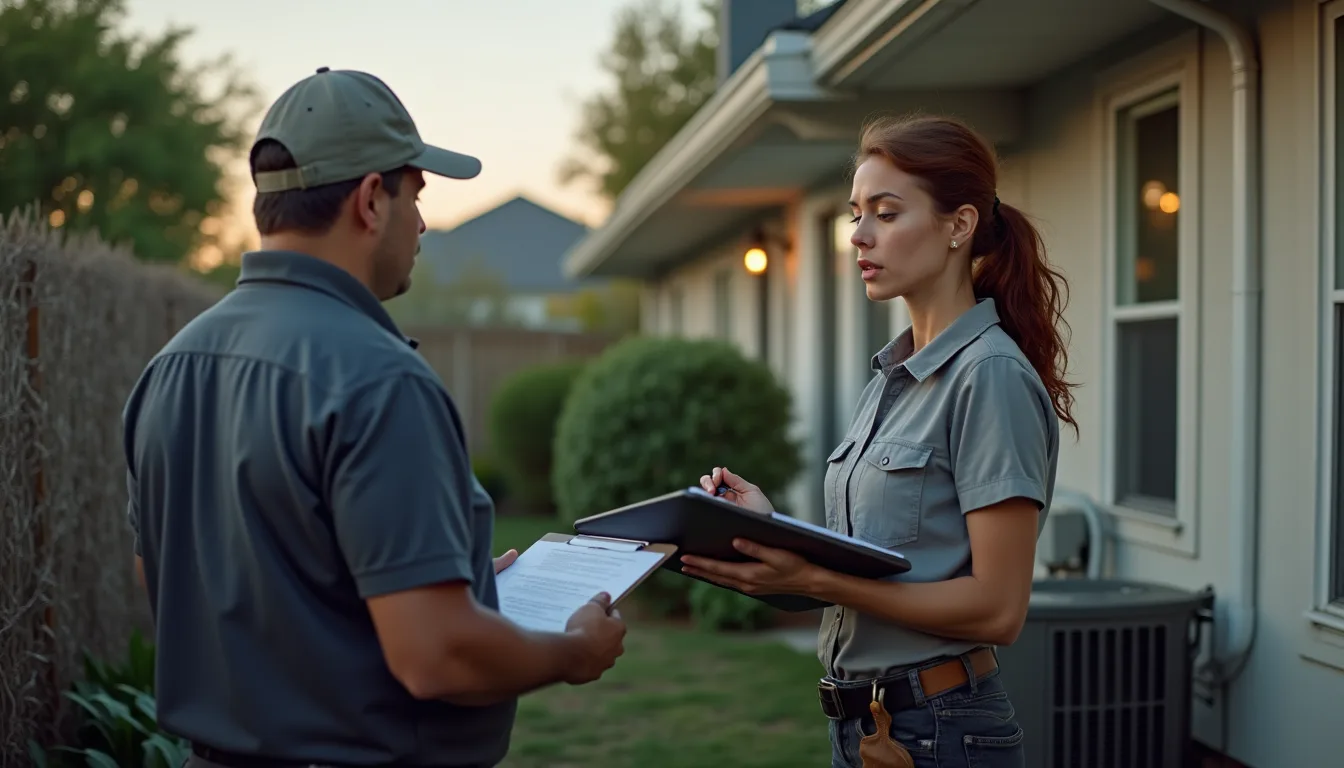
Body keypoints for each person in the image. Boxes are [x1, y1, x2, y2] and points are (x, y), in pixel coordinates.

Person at [122, 67, 626, 768]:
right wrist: (575, 651)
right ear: (369, 201)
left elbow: (175, 578)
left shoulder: (171, 368)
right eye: (416, 194)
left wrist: (431, 578)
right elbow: (436, 656)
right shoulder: (378, 378)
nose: (423, 223)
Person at [685, 114, 1071, 768]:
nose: (859, 236)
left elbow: (999, 608)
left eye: (886, 214)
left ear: (959, 225)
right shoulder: (892, 378)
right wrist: (773, 535)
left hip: (943, 732)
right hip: (870, 726)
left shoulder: (988, 378)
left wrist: (816, 575)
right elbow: (880, 566)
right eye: (855, 213)